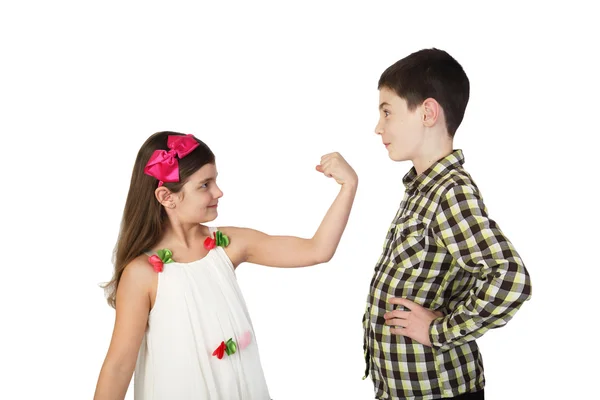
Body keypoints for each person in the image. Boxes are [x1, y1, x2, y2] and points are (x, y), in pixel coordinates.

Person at [94, 131, 358, 399]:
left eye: (215, 181)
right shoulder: (143, 274)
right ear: (166, 196)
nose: (218, 192)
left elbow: (316, 250)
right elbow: (118, 367)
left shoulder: (227, 244)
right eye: (204, 185)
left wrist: (348, 186)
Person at [363, 48, 532, 400]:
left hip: (437, 391)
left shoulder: (449, 192)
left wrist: (439, 330)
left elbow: (510, 279)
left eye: (387, 112)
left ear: (427, 112)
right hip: (407, 389)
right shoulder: (423, 190)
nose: (378, 127)